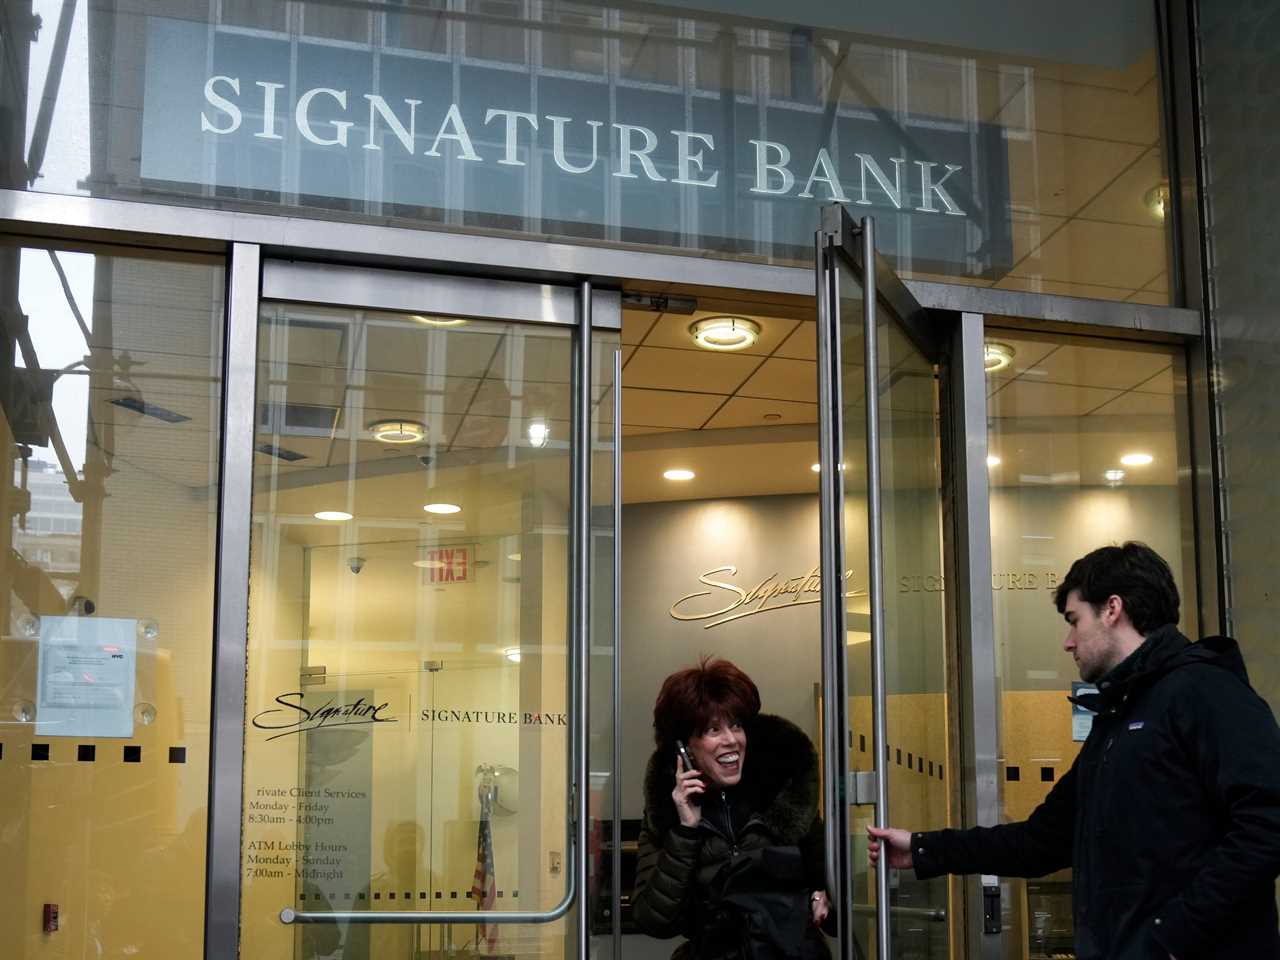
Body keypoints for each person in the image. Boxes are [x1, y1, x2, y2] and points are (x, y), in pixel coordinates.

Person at [867, 541, 1280, 960]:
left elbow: (1267, 824)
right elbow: (1040, 842)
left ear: (1113, 609)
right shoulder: (1117, 719)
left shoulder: (1205, 691)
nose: (1068, 642)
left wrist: (1171, 937)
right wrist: (924, 849)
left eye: (1073, 620)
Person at [632, 657, 836, 960]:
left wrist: (823, 896)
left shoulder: (784, 795)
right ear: (684, 749)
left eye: (737, 725)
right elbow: (654, 920)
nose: (731, 740)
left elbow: (837, 898)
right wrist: (686, 831)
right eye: (713, 730)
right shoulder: (667, 815)